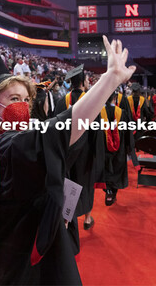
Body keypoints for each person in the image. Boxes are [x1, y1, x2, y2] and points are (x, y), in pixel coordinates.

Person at [0, 37, 135, 285]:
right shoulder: (1, 147)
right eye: (13, 99)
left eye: (25, 100)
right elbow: (60, 132)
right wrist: (109, 81)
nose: (22, 106)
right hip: (11, 262)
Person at [54, 64, 105, 230]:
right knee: (85, 184)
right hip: (85, 152)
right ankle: (87, 218)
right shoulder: (91, 101)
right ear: (83, 81)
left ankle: (68, 218)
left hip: (66, 152)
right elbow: (97, 131)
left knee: (69, 183)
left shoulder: (62, 101)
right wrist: (97, 155)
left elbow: (53, 127)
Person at [101, 90, 136, 206]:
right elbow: (128, 132)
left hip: (103, 148)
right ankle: (112, 192)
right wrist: (129, 148)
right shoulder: (122, 113)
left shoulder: (99, 113)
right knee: (116, 169)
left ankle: (108, 191)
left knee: (106, 170)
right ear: (115, 98)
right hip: (119, 149)